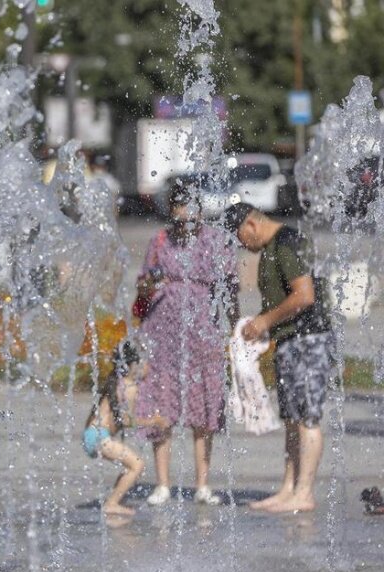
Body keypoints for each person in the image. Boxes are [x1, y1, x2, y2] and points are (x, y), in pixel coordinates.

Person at [223, 201, 335, 513]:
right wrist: (256, 325)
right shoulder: (272, 247)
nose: (243, 247)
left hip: (309, 339)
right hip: (289, 341)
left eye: (240, 239)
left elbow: (304, 295)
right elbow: (281, 300)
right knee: (292, 419)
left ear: (251, 225)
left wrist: (264, 321)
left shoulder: (287, 242)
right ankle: (288, 489)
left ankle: (305, 492)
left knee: (308, 417)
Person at [134, 180, 238, 506]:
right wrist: (148, 285)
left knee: (203, 405)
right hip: (163, 331)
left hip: (202, 331)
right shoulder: (160, 239)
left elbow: (231, 286)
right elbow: (143, 283)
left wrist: (236, 327)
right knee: (160, 403)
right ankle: (163, 483)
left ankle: (202, 484)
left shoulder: (215, 240)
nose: (185, 218)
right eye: (179, 210)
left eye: (191, 210)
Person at [82, 341, 170, 516]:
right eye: (144, 363)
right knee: (137, 465)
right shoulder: (129, 387)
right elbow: (127, 421)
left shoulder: (117, 382)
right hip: (100, 437)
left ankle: (114, 500)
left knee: (129, 465)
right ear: (132, 366)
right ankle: (112, 503)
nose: (148, 367)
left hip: (92, 435)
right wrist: (154, 421)